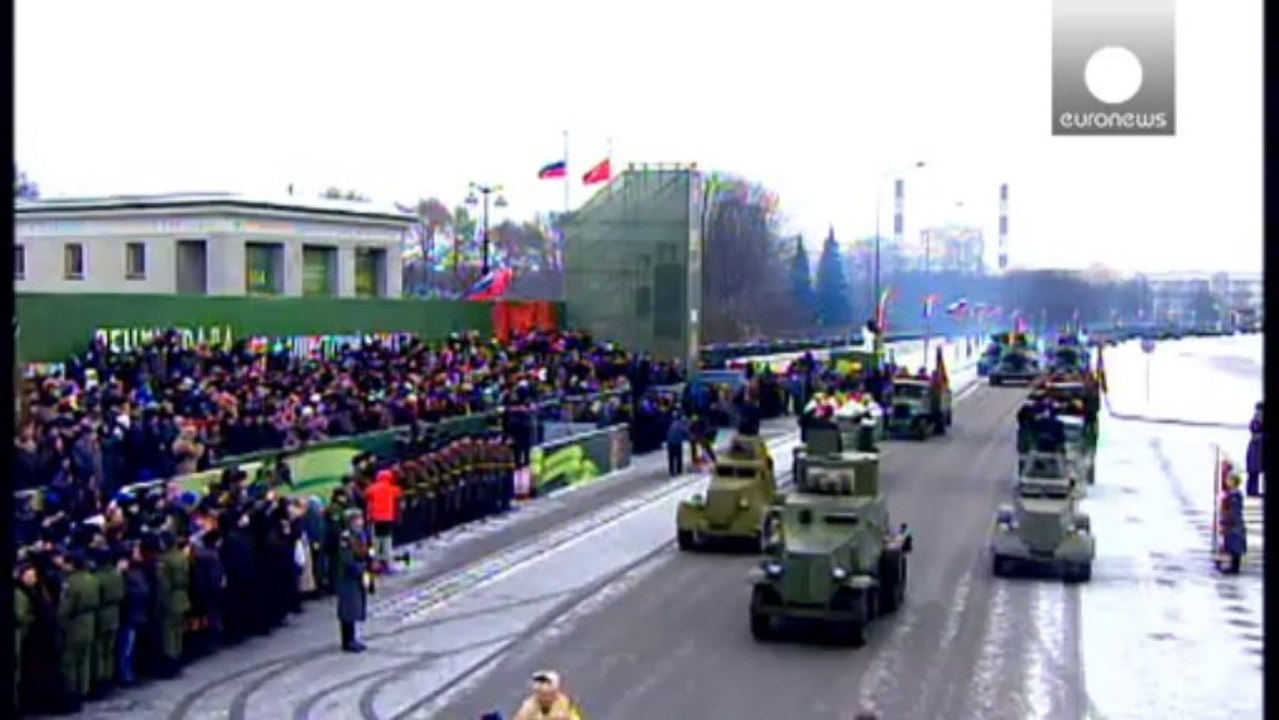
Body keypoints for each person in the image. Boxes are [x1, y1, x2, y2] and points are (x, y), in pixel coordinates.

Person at [337, 510, 370, 653]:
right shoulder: (346, 537)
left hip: (357, 574)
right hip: (347, 576)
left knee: (355, 606)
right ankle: (347, 641)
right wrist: (360, 568)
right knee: (348, 608)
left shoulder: (360, 535)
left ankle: (352, 638)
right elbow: (346, 559)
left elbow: (365, 551)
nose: (361, 522)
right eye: (358, 520)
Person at [365, 469, 403, 572]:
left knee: (377, 540)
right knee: (386, 539)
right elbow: (398, 502)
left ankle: (378, 563)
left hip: (375, 518)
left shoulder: (372, 489)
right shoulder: (394, 489)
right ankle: (386, 563)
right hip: (388, 518)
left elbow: (367, 495)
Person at [513, 670, 583, 720]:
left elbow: (573, 716)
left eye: (555, 692)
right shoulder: (528, 708)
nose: (555, 695)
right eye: (548, 694)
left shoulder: (563, 700)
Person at [1218, 472, 1248, 574]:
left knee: (1234, 547)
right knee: (1231, 546)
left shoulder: (1234, 496)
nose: (1227, 481)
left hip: (1233, 525)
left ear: (1233, 482)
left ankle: (1234, 568)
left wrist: (1226, 523)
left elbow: (1233, 512)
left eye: (1229, 480)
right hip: (1233, 524)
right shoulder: (1232, 494)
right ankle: (1232, 566)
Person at [1246, 402, 1263, 497]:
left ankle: (1253, 491)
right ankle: (1252, 492)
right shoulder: (1257, 417)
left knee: (1254, 473)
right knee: (1253, 473)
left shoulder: (1256, 418)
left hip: (1256, 449)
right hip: (1255, 449)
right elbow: (1254, 430)